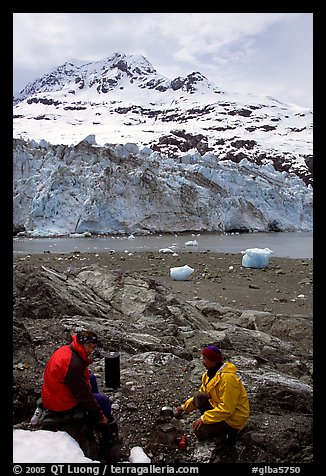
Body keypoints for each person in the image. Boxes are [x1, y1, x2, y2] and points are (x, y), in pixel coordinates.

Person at [41, 330, 120, 461]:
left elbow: (80, 380)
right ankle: (105, 432)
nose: (91, 350)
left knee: (92, 378)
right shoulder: (73, 365)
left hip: (54, 393)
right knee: (104, 401)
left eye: (93, 347)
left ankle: (96, 412)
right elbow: (83, 396)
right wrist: (98, 414)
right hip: (61, 402)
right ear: (82, 343)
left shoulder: (68, 350)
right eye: (89, 346)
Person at [175, 345, 250, 445]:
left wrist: (204, 418)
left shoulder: (228, 379)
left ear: (213, 360)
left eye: (204, 358)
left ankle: (229, 434)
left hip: (233, 419)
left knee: (199, 431)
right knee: (199, 396)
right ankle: (212, 423)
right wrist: (184, 407)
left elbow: (227, 409)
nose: (202, 361)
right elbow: (201, 395)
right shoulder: (208, 375)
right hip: (219, 407)